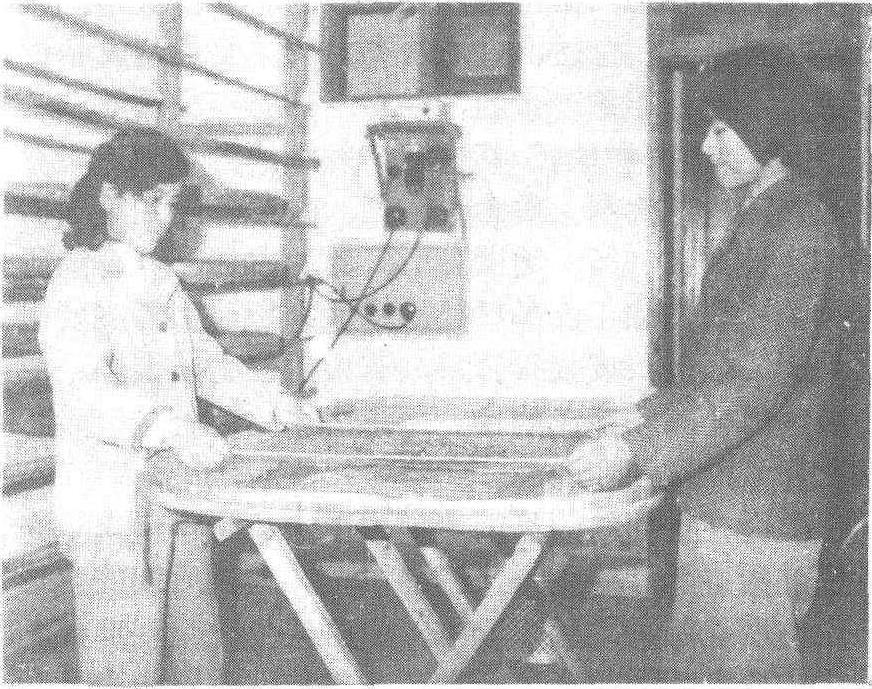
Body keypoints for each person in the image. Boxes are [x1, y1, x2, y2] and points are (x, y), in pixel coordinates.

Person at [567, 43, 854, 682]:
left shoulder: (797, 229)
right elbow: (720, 369)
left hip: (755, 517)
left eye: (722, 129)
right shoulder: (769, 218)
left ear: (765, 127)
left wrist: (637, 449)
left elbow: (752, 382)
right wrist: (642, 417)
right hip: (734, 502)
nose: (706, 145)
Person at [39, 127, 316, 685]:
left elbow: (208, 365)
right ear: (109, 197)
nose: (164, 217)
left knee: (197, 654)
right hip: (114, 507)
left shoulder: (159, 279)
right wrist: (168, 429)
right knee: (125, 666)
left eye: (171, 202)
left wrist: (276, 406)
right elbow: (84, 393)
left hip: (179, 492)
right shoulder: (78, 285)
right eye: (151, 200)